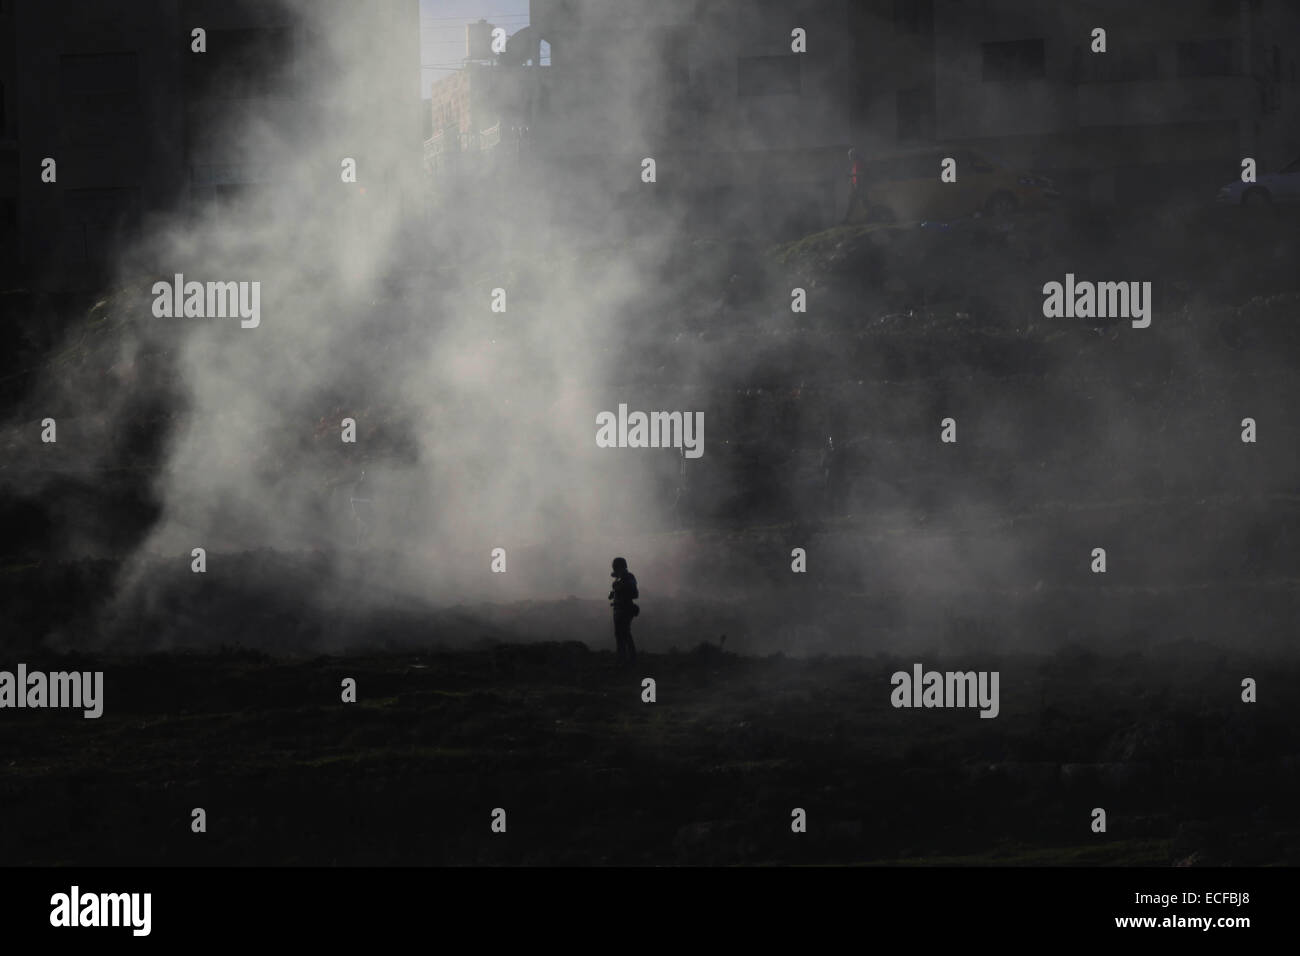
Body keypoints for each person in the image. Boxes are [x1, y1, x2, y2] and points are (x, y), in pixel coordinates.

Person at [608, 556, 639, 665]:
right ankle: (625, 658)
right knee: (621, 634)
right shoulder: (620, 578)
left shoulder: (628, 577)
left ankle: (628, 659)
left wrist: (620, 588)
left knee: (624, 634)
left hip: (625, 609)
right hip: (618, 609)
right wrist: (613, 593)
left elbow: (634, 594)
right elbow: (616, 592)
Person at [841, 148, 866, 224]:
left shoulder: (860, 163)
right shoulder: (855, 165)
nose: (849, 158)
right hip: (856, 187)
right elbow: (854, 177)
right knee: (853, 203)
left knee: (861, 203)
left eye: (850, 156)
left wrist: (851, 175)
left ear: (854, 155)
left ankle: (846, 220)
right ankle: (846, 220)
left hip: (860, 187)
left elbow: (862, 174)